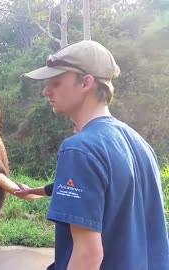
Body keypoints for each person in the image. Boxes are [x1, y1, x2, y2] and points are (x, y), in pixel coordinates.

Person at [20, 40, 169, 270]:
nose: (46, 91)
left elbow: (88, 257)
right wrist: (34, 190)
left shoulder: (79, 149)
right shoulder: (140, 144)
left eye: (56, 82)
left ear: (86, 83)